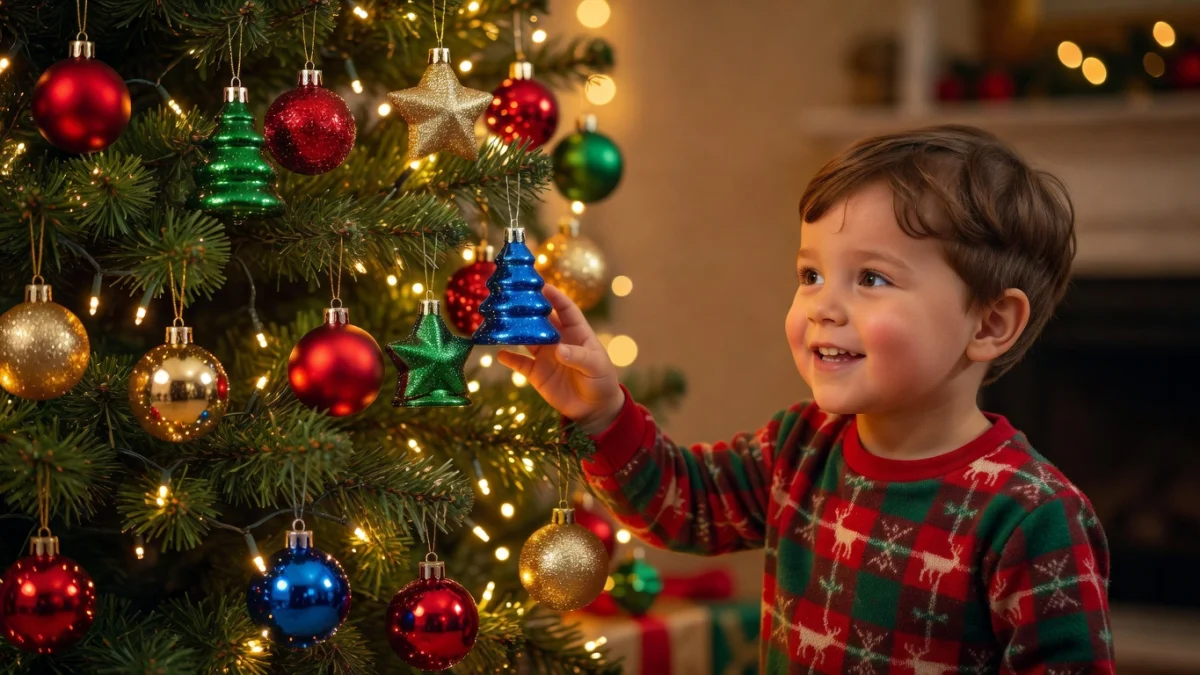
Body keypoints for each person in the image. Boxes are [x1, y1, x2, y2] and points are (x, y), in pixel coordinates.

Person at [498, 125, 1114, 673]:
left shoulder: (1033, 517)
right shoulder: (802, 443)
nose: (822, 306)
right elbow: (680, 505)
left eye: (871, 278)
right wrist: (603, 414)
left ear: (989, 324)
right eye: (811, 275)